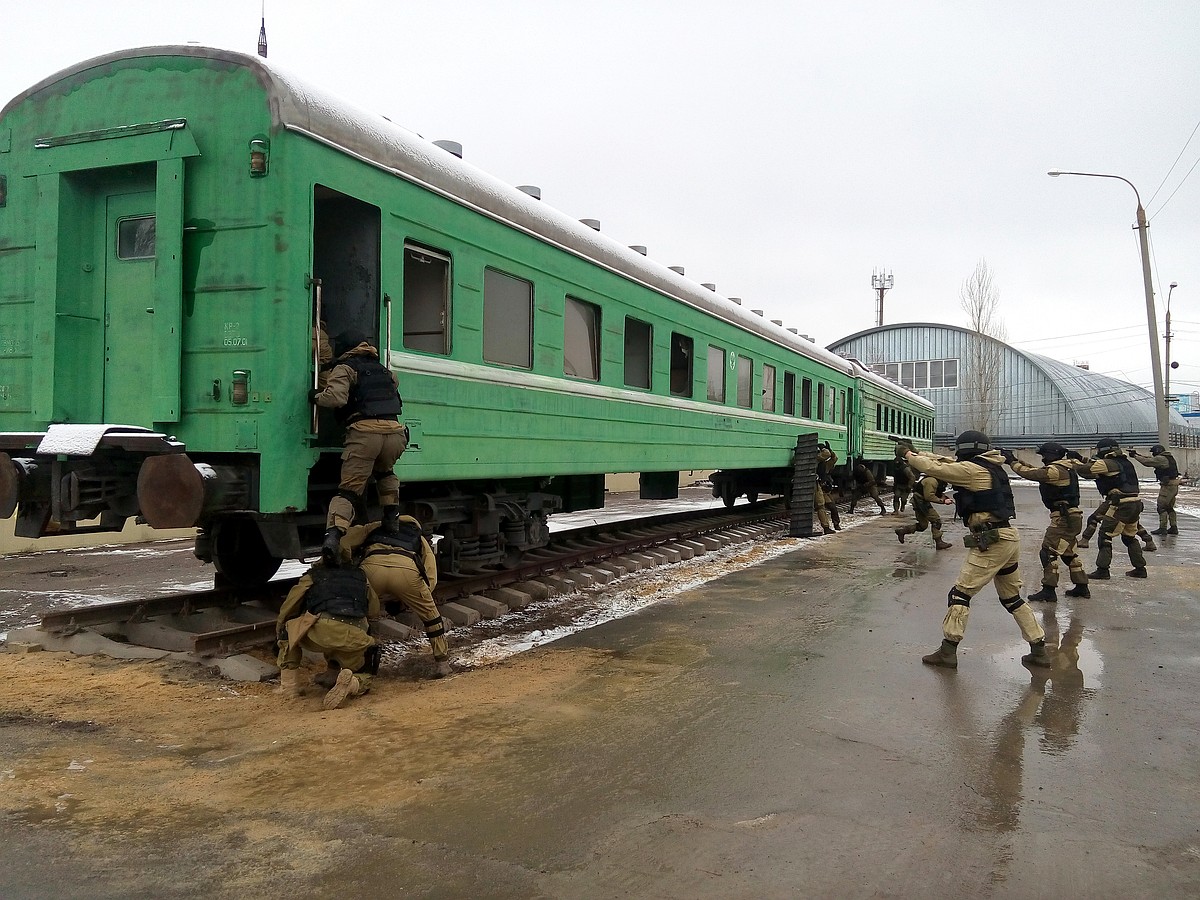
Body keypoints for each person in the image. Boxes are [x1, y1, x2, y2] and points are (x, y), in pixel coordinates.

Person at [902, 430, 1050, 670]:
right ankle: (1039, 649)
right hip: (1006, 537)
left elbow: (937, 469)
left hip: (991, 540)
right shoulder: (990, 466)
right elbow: (947, 462)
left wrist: (908, 455)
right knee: (1012, 598)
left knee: (960, 594)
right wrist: (919, 453)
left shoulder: (972, 471)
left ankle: (948, 651)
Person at [309, 331, 407, 564]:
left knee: (349, 491)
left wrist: (315, 396)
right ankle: (391, 516)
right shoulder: (387, 372)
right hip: (395, 433)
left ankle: (333, 537)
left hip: (365, 434)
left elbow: (336, 399)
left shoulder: (344, 368)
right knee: (385, 474)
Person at [344, 515, 452, 678]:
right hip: (406, 571)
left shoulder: (374, 527)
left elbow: (346, 539)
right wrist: (422, 594)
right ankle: (442, 663)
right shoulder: (418, 536)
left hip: (371, 569)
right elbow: (430, 571)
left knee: (353, 614)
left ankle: (337, 667)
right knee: (431, 617)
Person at [276, 557, 382, 709]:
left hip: (321, 632)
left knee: (288, 631)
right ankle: (351, 684)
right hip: (355, 636)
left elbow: (290, 605)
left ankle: (289, 688)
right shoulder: (361, 576)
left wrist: (280, 625)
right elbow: (374, 610)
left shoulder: (313, 575)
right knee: (365, 674)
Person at [1000, 442, 1089, 602]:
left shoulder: (1056, 470)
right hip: (1071, 517)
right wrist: (1015, 461)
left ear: (1051, 455)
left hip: (1063, 518)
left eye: (1044, 455)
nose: (1042, 459)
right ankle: (1081, 586)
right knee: (1068, 553)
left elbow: (1032, 474)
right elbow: (1037, 471)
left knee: (1048, 552)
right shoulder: (1066, 467)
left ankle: (1049, 590)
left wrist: (1012, 462)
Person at [1076, 437, 1146, 579]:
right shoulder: (1125, 462)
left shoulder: (1108, 463)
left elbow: (1085, 471)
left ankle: (1103, 570)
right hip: (1134, 503)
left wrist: (1074, 462)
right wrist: (1082, 458)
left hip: (1121, 504)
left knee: (1105, 536)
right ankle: (1140, 569)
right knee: (1129, 537)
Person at [1130, 444, 1182, 536]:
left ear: (1157, 451)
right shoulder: (1167, 457)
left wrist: (1135, 456)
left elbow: (1147, 462)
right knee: (1169, 507)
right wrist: (1137, 454)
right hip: (1173, 485)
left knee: (1161, 507)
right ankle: (1173, 527)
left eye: (1154, 452)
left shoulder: (1161, 459)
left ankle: (1163, 528)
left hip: (1168, 486)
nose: (1153, 454)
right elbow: (1149, 458)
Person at [894, 470, 954, 549]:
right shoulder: (931, 481)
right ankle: (939, 542)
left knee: (923, 525)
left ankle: (902, 531)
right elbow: (929, 496)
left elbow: (936, 492)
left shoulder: (935, 480)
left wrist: (944, 497)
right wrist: (943, 501)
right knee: (936, 520)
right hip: (920, 502)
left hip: (920, 501)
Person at [1077, 497, 1156, 553]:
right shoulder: (1129, 473)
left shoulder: (1116, 473)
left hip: (1118, 499)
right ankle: (1148, 540)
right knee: (1132, 523)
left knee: (1094, 518)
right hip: (1135, 500)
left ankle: (1085, 540)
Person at [816, 442, 842, 532]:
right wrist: (827, 450)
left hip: (824, 491)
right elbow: (828, 455)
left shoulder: (824, 465)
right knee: (821, 507)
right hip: (818, 489)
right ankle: (826, 527)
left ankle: (836, 524)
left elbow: (834, 458)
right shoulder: (816, 461)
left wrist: (830, 451)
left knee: (832, 508)